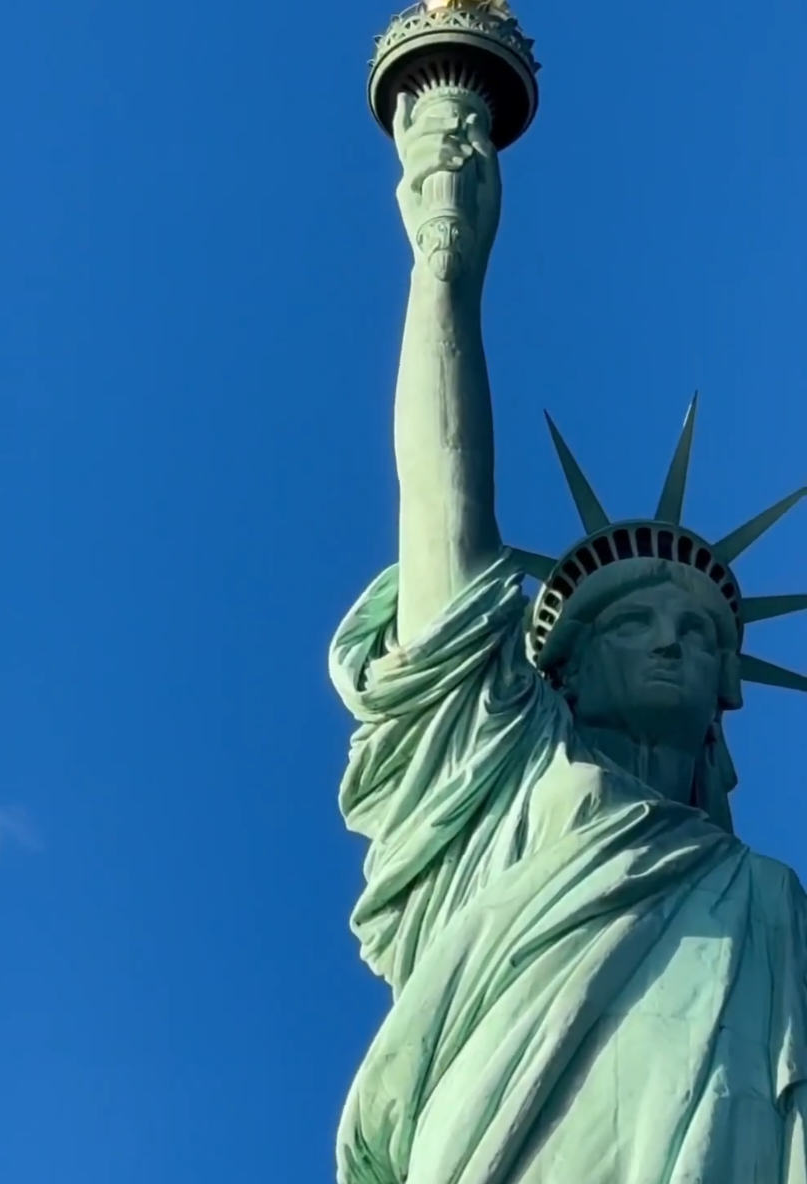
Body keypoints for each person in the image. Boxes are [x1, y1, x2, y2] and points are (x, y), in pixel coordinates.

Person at [329, 84, 807, 1184]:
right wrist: (443, 255)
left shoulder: (766, 897)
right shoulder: (500, 783)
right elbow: (443, 507)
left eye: (694, 631)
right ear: (562, 666)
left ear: (730, 690)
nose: (671, 641)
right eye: (633, 620)